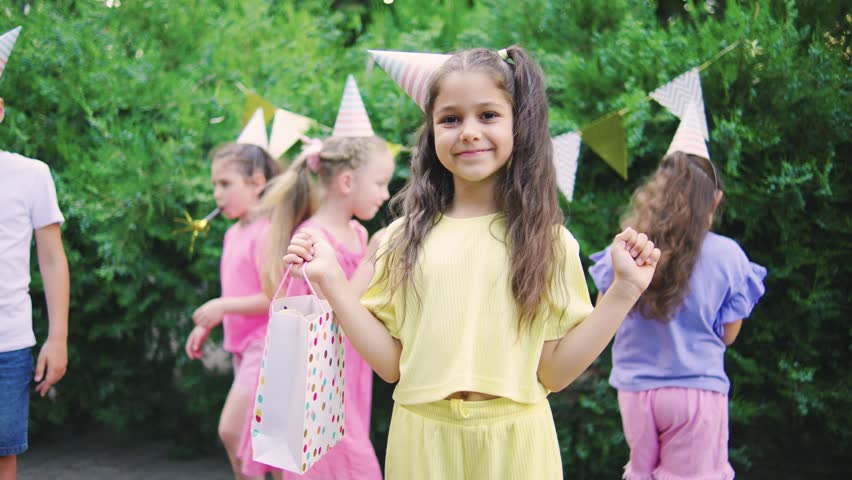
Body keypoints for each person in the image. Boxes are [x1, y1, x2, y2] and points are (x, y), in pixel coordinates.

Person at [284, 46, 661, 479]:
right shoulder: (399, 239)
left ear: (517, 124)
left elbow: (554, 371)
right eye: (450, 118)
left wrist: (623, 291)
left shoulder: (547, 241)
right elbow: (390, 364)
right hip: (420, 443)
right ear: (430, 132)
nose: (468, 132)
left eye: (487, 115)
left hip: (517, 444)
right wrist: (330, 278)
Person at [588, 106, 767, 479]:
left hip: (635, 392)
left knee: (641, 473)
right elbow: (728, 336)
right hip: (696, 393)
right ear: (714, 200)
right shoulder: (728, 256)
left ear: (655, 195)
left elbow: (600, 322)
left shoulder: (626, 249)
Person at [256, 75, 393, 480]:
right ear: (348, 182)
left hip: (356, 364)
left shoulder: (357, 232)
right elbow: (324, 313)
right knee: (340, 456)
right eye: (382, 183)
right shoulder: (314, 238)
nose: (386, 194)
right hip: (323, 370)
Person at [184, 142, 282, 480]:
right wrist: (210, 321)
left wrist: (221, 307)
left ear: (256, 182)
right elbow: (237, 290)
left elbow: (273, 296)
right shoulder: (231, 233)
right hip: (243, 350)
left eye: (225, 184)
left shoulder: (268, 231)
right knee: (266, 444)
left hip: (267, 348)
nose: (217, 194)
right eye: (214, 185)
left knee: (234, 432)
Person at [0, 25, 71, 480]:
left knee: (3, 455)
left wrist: (58, 337)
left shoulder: (30, 175)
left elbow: (51, 258)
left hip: (8, 343)